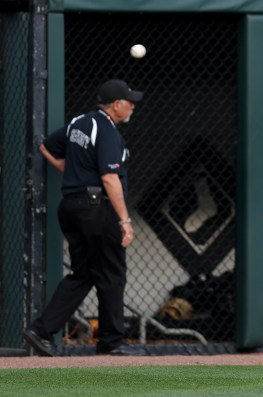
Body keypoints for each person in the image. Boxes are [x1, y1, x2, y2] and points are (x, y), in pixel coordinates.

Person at [23, 79, 145, 356]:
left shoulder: (79, 122)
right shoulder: (107, 130)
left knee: (85, 273)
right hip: (96, 208)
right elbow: (109, 178)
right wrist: (125, 220)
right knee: (112, 273)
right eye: (129, 101)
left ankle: (39, 330)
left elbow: (47, 147)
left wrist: (75, 176)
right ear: (116, 105)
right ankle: (112, 343)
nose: (133, 106)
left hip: (71, 207)